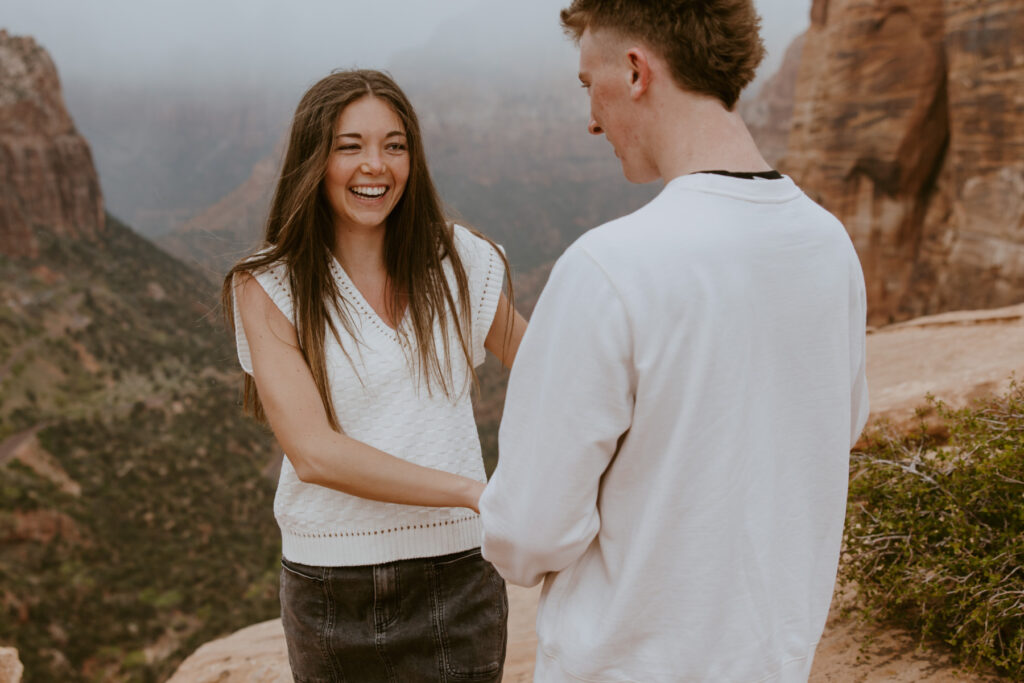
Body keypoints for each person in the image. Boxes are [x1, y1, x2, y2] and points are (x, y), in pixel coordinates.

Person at [479, 2, 870, 681]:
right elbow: (836, 428)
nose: (591, 120)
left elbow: (526, 534)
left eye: (587, 85)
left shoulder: (608, 267)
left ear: (635, 72)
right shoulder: (829, 247)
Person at [222, 69, 526, 682]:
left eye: (394, 145)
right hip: (330, 594)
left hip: (459, 578)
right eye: (349, 146)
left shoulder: (461, 260)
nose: (376, 166)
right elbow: (314, 453)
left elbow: (556, 376)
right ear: (314, 159)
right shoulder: (266, 284)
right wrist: (477, 492)